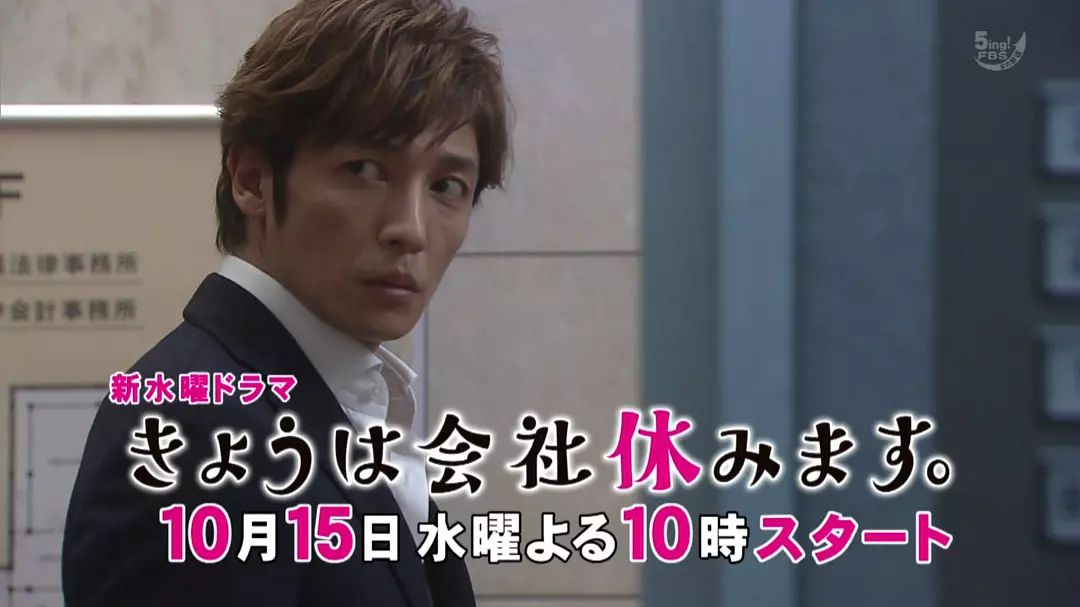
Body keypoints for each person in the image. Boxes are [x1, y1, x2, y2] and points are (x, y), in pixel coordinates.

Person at [61, 0, 511, 604]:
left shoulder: (336, 402)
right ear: (251, 179)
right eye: (364, 169)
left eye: (446, 186)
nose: (411, 229)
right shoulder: (196, 427)